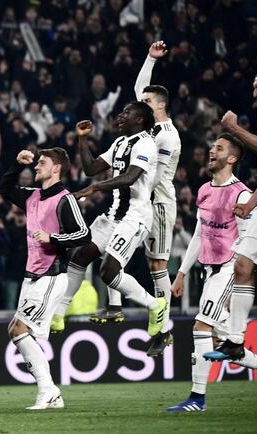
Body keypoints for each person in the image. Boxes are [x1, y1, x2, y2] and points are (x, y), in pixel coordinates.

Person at [167, 134, 257, 412]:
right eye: (212, 146)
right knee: (224, 341)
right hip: (208, 271)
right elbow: (198, 234)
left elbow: (247, 241)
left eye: (219, 148)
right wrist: (181, 272)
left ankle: (197, 399)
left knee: (200, 327)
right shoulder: (204, 189)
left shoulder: (241, 194)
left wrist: (235, 283)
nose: (211, 151)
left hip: (228, 270)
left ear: (232, 158)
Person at [98, 41, 182, 357]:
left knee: (157, 264)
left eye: (145, 101)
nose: (138, 103)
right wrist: (149, 58)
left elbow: (156, 177)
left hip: (157, 203)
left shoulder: (167, 136)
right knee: (109, 246)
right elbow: (139, 87)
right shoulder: (143, 129)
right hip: (136, 200)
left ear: (157, 105)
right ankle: (115, 305)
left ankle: (163, 329)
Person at [0, 148, 90, 409]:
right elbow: (4, 189)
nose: (36, 167)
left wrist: (54, 238)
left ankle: (47, 390)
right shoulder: (33, 196)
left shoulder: (65, 199)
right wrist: (16, 164)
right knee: (16, 331)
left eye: (42, 163)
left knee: (18, 329)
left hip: (52, 274)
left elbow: (84, 235)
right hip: (32, 275)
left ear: (56, 168)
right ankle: (52, 394)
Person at [66, 106, 168, 337]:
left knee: (108, 271)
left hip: (136, 216)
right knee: (80, 254)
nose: (121, 115)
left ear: (140, 119)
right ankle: (59, 312)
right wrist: (83, 140)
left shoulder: (145, 144)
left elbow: (131, 176)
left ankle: (155, 305)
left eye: (127, 112)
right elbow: (91, 168)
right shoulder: (121, 142)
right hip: (115, 215)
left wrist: (94, 188)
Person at [204, 69, 257, 361]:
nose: (254, 93)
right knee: (242, 267)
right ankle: (235, 341)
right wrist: (253, 202)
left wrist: (234, 129)